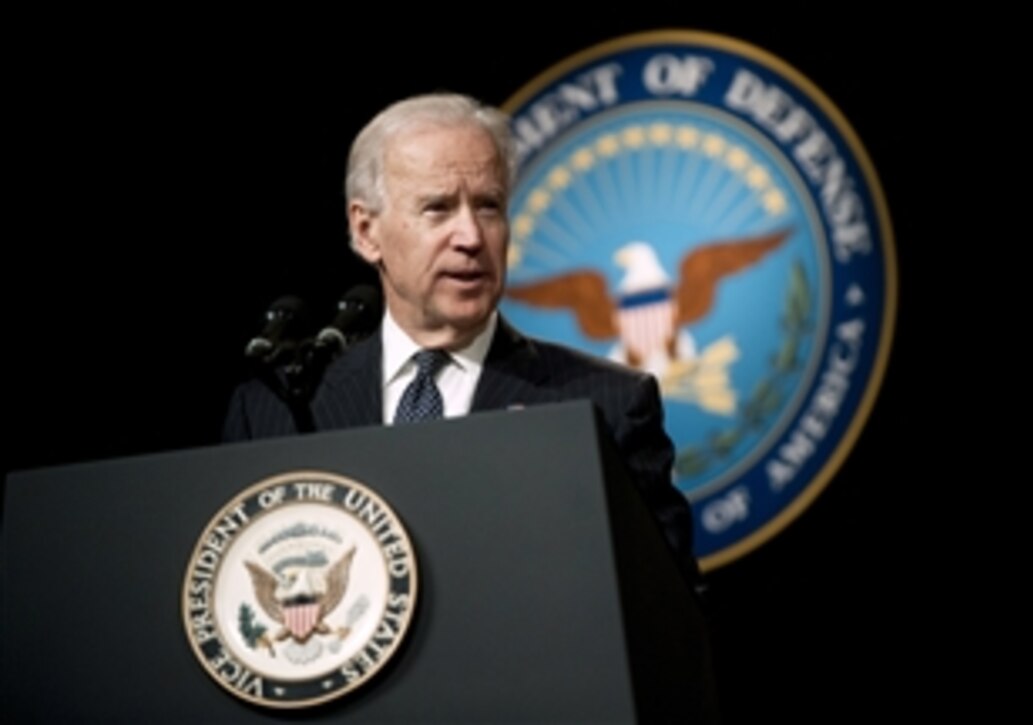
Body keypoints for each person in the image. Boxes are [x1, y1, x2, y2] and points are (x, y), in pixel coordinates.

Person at [223, 92, 698, 584]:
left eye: (489, 207)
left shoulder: (608, 406)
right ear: (366, 231)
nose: (471, 236)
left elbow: (667, 616)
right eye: (438, 208)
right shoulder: (276, 411)